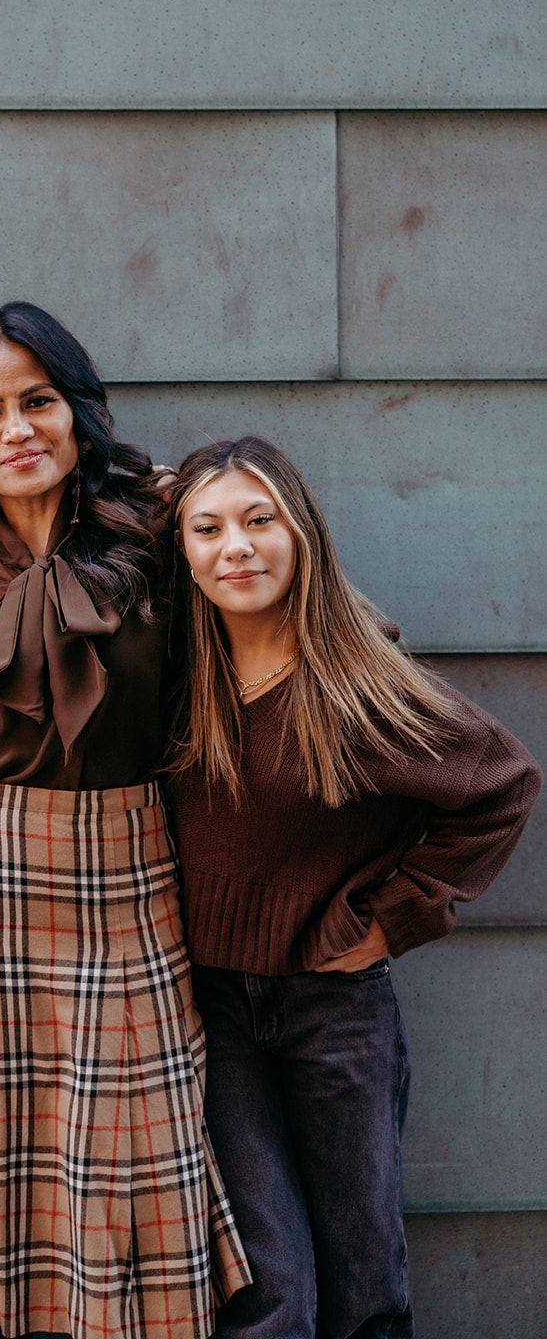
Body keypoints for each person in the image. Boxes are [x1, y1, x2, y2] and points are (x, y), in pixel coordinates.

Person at [0, 301, 250, 1339]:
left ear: (77, 409)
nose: (16, 429)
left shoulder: (159, 535)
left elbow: (271, 634)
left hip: (126, 880)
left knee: (134, 1158)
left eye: (37, 401)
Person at [166, 434, 541, 1339]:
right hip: (206, 1006)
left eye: (261, 520)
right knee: (267, 1283)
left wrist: (399, 916)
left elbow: (502, 783)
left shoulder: (356, 685)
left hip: (334, 1008)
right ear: (179, 550)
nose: (237, 547)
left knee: (363, 1273)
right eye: (206, 528)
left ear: (301, 533)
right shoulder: (179, 678)